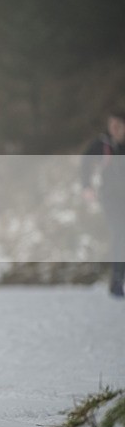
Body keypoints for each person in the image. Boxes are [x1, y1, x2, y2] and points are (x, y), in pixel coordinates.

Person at [81, 111, 125, 298]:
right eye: (111, 125)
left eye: (118, 125)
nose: (114, 129)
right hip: (112, 197)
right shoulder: (103, 144)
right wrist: (86, 186)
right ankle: (116, 280)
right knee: (120, 233)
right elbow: (85, 162)